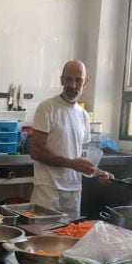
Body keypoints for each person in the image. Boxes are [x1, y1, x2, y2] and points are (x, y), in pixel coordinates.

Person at [29, 60, 112, 220]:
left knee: (68, 239)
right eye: (68, 79)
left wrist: (97, 173)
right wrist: (71, 163)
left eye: (78, 80)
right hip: (48, 190)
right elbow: (36, 151)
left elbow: (79, 155)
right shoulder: (47, 108)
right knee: (42, 237)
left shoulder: (83, 115)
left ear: (85, 82)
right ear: (61, 80)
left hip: (73, 191)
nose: (73, 85)